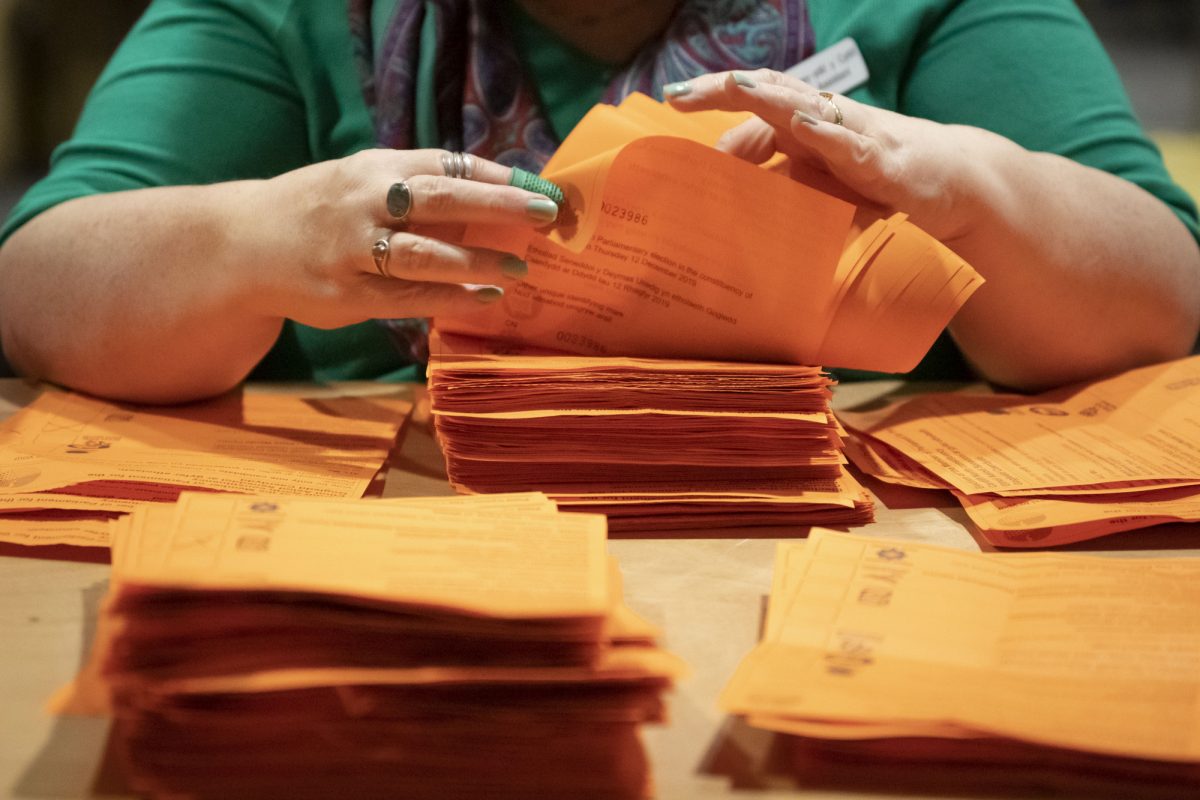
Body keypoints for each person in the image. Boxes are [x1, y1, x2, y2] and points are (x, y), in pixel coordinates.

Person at [0, 0, 1197, 404]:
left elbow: (1166, 298)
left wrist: (971, 190)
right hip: (410, 605)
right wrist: (249, 239)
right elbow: (38, 282)